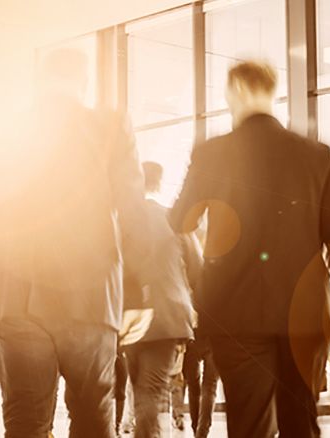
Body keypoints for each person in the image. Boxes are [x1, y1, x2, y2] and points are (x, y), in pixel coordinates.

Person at [0, 46, 150, 438]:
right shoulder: (110, 127)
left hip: (17, 299)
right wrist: (136, 293)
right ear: (83, 83)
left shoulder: (3, 131)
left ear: (39, 83)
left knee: (25, 420)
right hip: (90, 299)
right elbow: (132, 211)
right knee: (93, 418)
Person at [169, 60, 330, 437]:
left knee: (249, 422)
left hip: (234, 309)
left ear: (236, 91)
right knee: (300, 419)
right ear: (272, 92)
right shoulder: (317, 155)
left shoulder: (212, 152)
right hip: (303, 312)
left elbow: (180, 221)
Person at [121, 161, 196, 438]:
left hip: (130, 317)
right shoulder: (173, 219)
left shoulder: (124, 222)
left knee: (141, 386)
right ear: (159, 183)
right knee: (152, 388)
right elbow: (197, 265)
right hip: (168, 316)